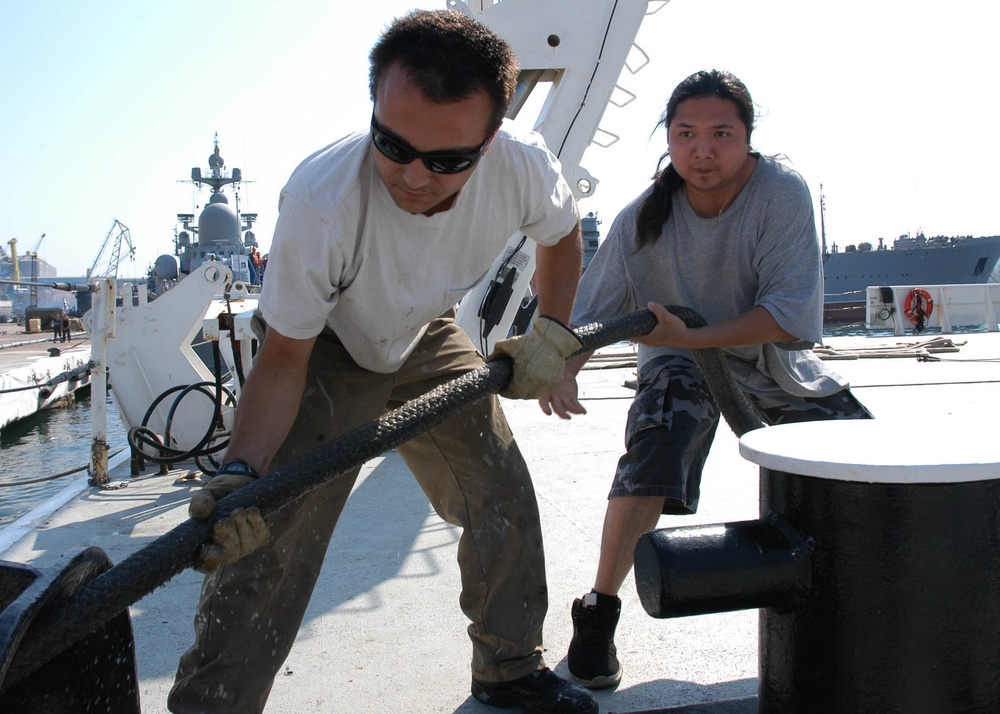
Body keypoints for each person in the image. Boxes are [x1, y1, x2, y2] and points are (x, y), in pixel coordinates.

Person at [168, 10, 597, 714]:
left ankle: (510, 672)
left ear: (490, 143)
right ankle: (211, 707)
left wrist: (553, 331)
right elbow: (282, 358)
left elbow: (562, 233)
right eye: (392, 144)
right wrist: (241, 472)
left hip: (424, 332)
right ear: (372, 110)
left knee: (500, 492)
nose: (413, 176)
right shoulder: (322, 200)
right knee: (265, 540)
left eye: (447, 160)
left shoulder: (523, 164)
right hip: (325, 347)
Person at [540, 69, 872, 689]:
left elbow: (785, 315)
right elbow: (587, 315)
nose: (703, 149)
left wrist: (692, 334)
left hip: (767, 357)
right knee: (652, 454)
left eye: (722, 133)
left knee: (860, 457)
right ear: (668, 140)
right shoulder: (641, 219)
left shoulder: (780, 194)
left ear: (748, 137)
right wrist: (564, 370)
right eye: (687, 133)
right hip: (676, 361)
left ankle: (870, 594)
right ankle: (598, 611)